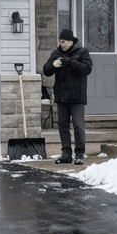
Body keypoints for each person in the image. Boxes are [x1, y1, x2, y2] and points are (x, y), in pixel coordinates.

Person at [42, 28, 93, 164]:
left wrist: (69, 61)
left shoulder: (82, 52)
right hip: (61, 96)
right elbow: (46, 70)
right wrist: (53, 65)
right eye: (60, 41)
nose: (62, 44)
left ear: (71, 41)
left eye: (64, 41)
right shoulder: (56, 53)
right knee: (63, 126)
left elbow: (86, 69)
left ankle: (79, 154)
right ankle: (66, 154)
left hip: (77, 97)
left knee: (78, 125)